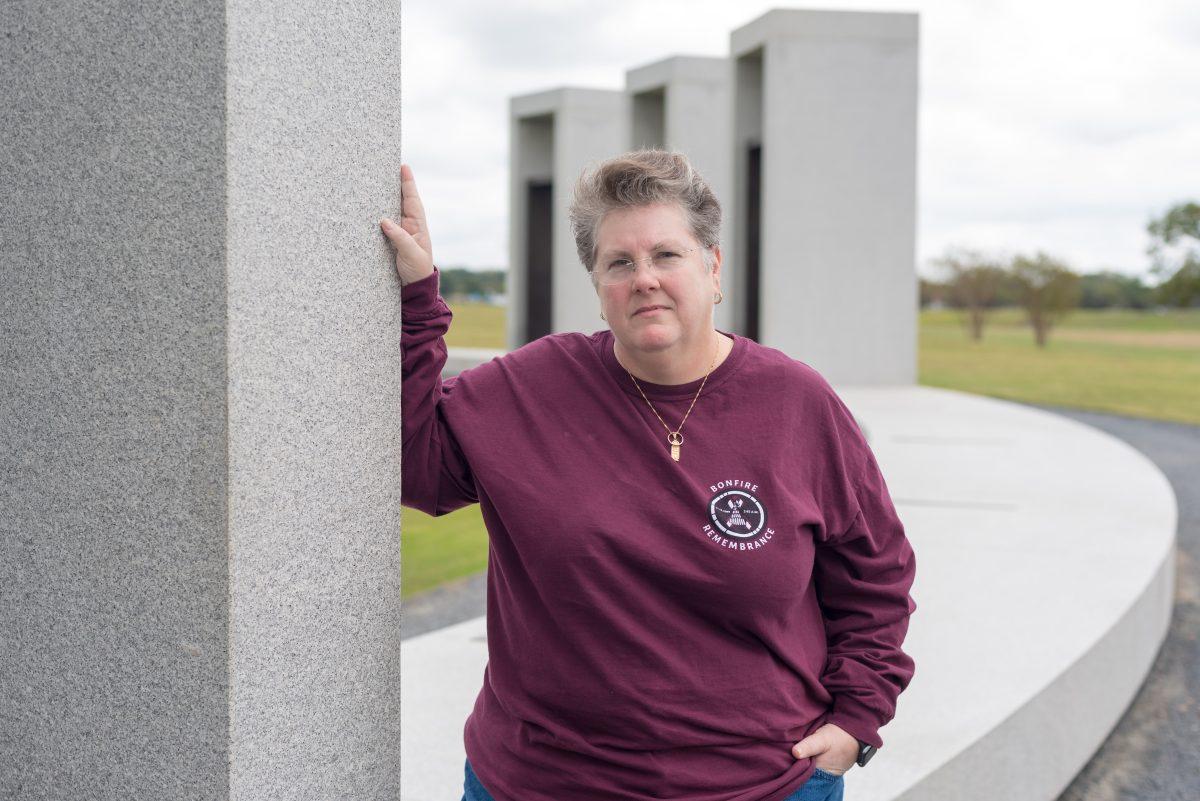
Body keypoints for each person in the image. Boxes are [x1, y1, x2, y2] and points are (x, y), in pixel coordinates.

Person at [382, 150, 917, 801]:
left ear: (712, 266)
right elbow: (417, 467)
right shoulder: (529, 389)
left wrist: (858, 718)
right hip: (541, 782)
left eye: (667, 254)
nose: (644, 279)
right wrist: (418, 303)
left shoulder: (798, 405)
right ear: (598, 284)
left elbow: (876, 574)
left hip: (759, 784)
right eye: (619, 262)